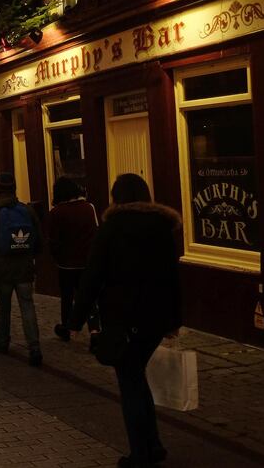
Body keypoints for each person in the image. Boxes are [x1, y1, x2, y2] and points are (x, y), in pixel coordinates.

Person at [70, 174, 182, 468]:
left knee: (129, 382)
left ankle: (140, 453)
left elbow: (93, 275)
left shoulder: (111, 228)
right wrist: (174, 319)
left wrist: (77, 317)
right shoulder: (162, 228)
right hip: (156, 318)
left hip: (123, 317)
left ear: (116, 196)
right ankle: (153, 444)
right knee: (137, 375)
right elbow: (173, 276)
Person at [0, 172, 44, 367]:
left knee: (4, 306)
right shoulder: (26, 210)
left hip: (2, 268)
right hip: (24, 267)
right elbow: (38, 238)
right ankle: (34, 347)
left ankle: (3, 339)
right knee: (27, 305)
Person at [47, 177, 99, 347]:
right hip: (87, 262)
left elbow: (53, 240)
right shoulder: (89, 208)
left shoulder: (56, 212)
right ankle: (94, 330)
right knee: (89, 297)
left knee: (67, 296)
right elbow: (96, 233)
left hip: (66, 264)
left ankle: (68, 328)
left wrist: (57, 257)